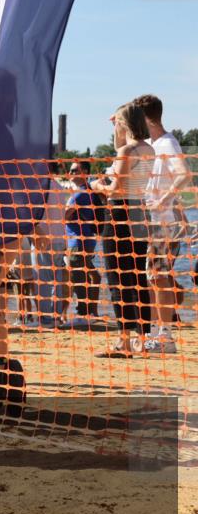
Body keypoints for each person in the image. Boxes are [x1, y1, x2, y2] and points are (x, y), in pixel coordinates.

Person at [90, 102, 154, 357]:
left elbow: (116, 188)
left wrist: (97, 186)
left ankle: (123, 340)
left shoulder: (127, 151)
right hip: (140, 211)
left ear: (124, 124)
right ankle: (141, 338)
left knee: (118, 277)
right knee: (137, 276)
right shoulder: (147, 148)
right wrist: (119, 130)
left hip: (119, 212)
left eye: (117, 123)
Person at [137, 94, 187, 353]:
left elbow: (182, 176)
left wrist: (164, 202)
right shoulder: (151, 143)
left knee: (159, 276)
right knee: (152, 277)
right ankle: (157, 332)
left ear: (147, 119)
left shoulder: (168, 143)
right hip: (156, 224)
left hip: (163, 224)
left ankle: (165, 336)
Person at [63, 159, 104, 324]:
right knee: (92, 275)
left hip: (77, 242)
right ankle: (92, 312)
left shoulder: (79, 194)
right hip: (87, 240)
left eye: (75, 171)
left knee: (77, 277)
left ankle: (83, 314)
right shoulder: (89, 192)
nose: (71, 173)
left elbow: (64, 216)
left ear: (85, 173)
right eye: (71, 170)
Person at [34, 162, 71, 328]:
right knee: (57, 279)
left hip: (45, 238)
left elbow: (36, 215)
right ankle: (56, 317)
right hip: (59, 238)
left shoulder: (42, 187)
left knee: (43, 279)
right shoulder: (59, 187)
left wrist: (35, 234)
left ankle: (46, 319)